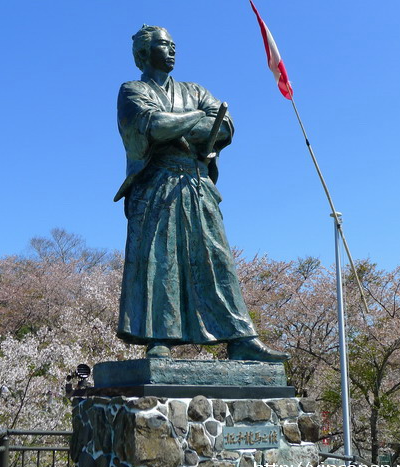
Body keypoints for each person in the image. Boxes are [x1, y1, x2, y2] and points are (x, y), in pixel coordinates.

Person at [114, 25, 288, 362]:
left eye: (174, 44)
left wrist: (177, 123)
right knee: (159, 260)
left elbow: (225, 126)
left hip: (196, 183)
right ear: (144, 53)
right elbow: (153, 126)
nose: (173, 50)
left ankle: (240, 338)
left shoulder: (194, 89)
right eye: (165, 45)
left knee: (216, 258)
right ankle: (158, 339)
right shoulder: (132, 90)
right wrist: (195, 118)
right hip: (156, 185)